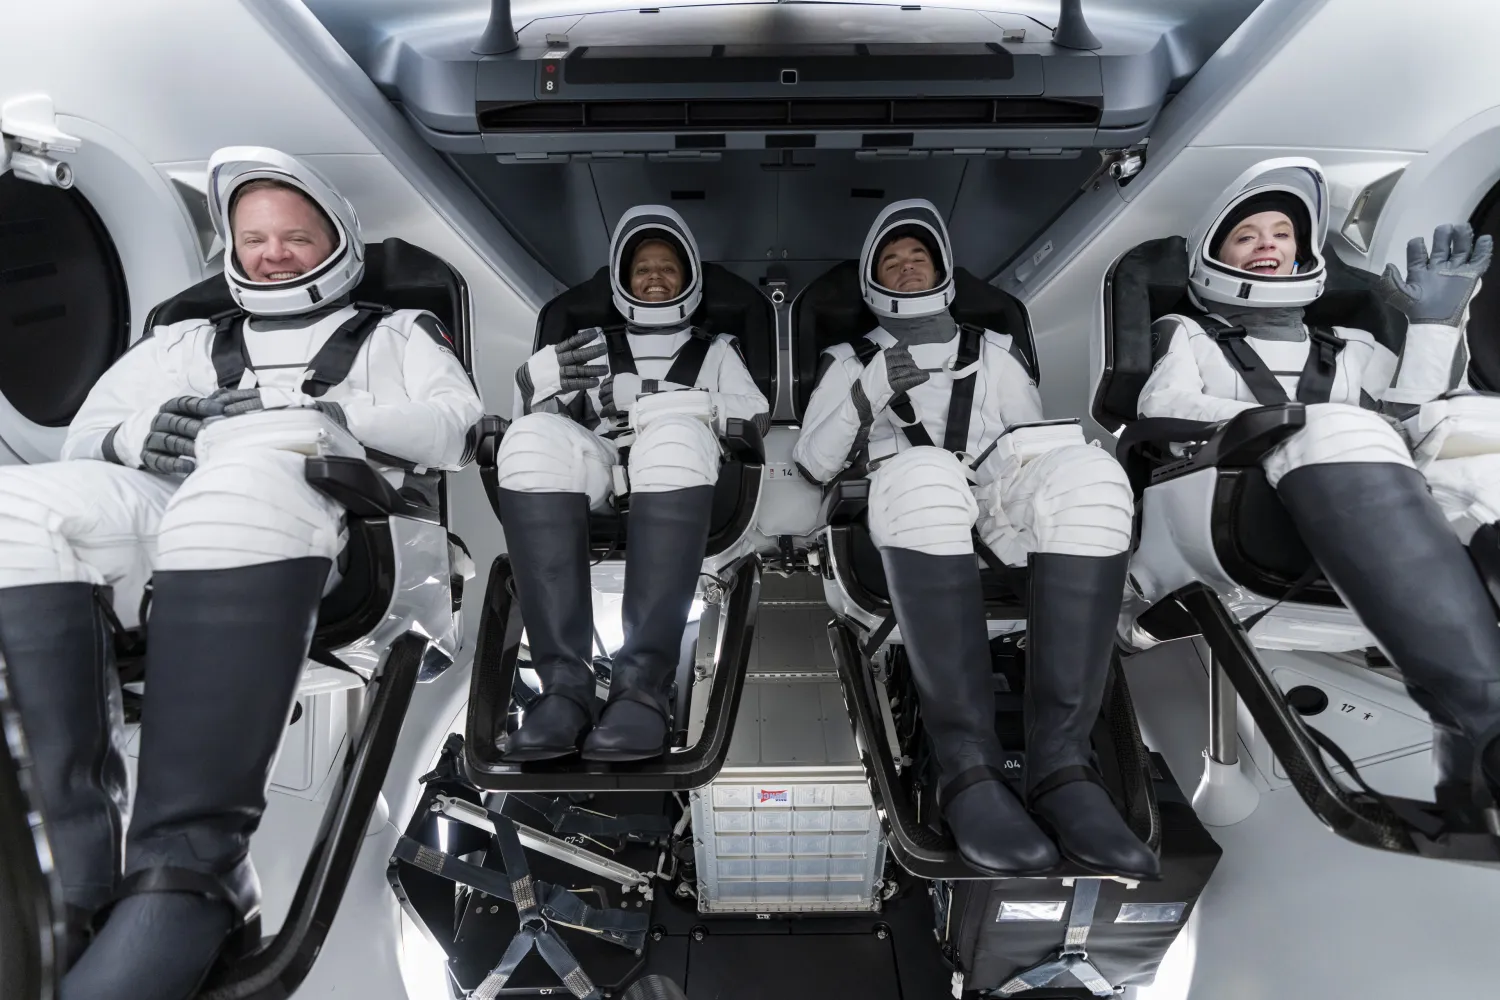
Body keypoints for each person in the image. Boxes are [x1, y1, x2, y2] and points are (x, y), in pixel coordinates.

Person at [0, 146, 483, 999]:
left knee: (253, 461)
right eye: (254, 239)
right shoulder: (183, 341)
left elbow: (454, 428)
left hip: (347, 524)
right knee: (20, 508)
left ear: (338, 240)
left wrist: (316, 410)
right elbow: (85, 438)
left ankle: (194, 876)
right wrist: (145, 433)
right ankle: (74, 876)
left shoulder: (397, 334)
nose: (274, 255)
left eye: (295, 237)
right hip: (180, 504)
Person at [793, 200, 1158, 879]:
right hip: (903, 502)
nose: (907, 268)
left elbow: (1030, 443)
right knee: (927, 470)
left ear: (943, 271)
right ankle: (967, 771)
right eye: (892, 261)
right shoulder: (848, 361)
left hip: (993, 503)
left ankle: (1063, 768)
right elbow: (814, 463)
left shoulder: (993, 353)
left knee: (1090, 472)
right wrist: (867, 395)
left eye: (919, 257)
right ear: (873, 280)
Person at [1137, 156, 1500, 813]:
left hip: (1379, 495)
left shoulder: (1354, 345)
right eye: (1247, 235)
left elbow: (1415, 420)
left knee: (1478, 430)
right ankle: (1488, 721)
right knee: (1344, 425)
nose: (1268, 243)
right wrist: (1296, 419)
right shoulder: (1188, 333)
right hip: (1232, 496)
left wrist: (1433, 326)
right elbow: (1163, 406)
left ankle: (1474, 757)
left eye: (1283, 233)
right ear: (1213, 258)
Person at [494, 206, 769, 763]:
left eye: (667, 267)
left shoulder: (716, 350)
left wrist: (663, 404)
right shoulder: (590, 345)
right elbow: (545, 424)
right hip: (601, 466)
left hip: (680, 469)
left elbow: (753, 414)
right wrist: (528, 386)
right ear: (624, 280)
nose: (655, 277)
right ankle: (563, 692)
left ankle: (641, 691)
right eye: (643, 268)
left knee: (672, 436)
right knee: (528, 438)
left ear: (688, 278)